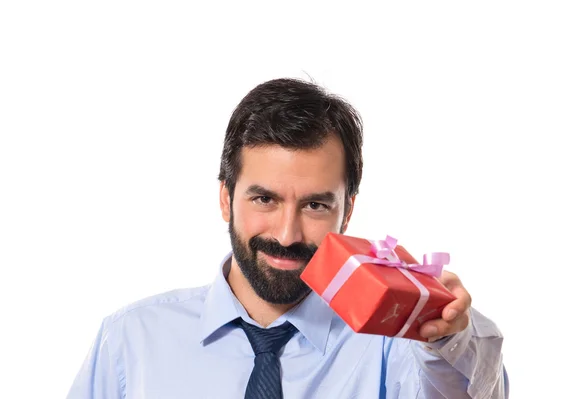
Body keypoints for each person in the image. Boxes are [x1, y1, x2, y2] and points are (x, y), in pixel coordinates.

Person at [67, 78, 509, 399]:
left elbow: (470, 391)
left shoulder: (393, 348)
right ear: (226, 198)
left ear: (347, 212)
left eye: (315, 205)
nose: (286, 234)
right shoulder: (130, 341)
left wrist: (449, 334)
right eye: (264, 199)